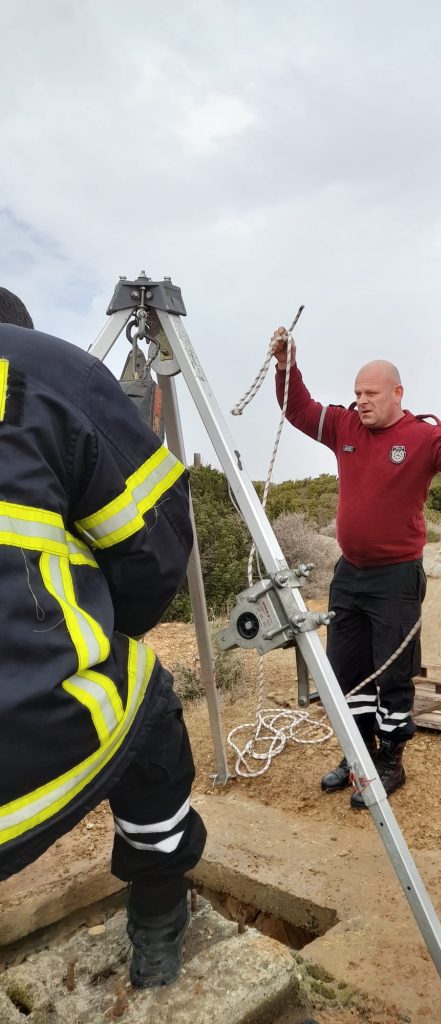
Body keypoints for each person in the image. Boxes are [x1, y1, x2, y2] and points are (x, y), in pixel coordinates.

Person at [0, 288, 206, 988]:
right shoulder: (53, 373)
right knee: (144, 698)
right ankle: (159, 907)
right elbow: (153, 551)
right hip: (23, 741)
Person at [271, 327, 441, 808]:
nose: (361, 401)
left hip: (396, 578)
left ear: (398, 393)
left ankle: (390, 759)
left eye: (371, 394)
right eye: (357, 393)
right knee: (348, 672)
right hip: (350, 575)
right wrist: (287, 365)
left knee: (393, 674)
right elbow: (299, 409)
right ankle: (357, 753)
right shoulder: (345, 427)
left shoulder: (423, 436)